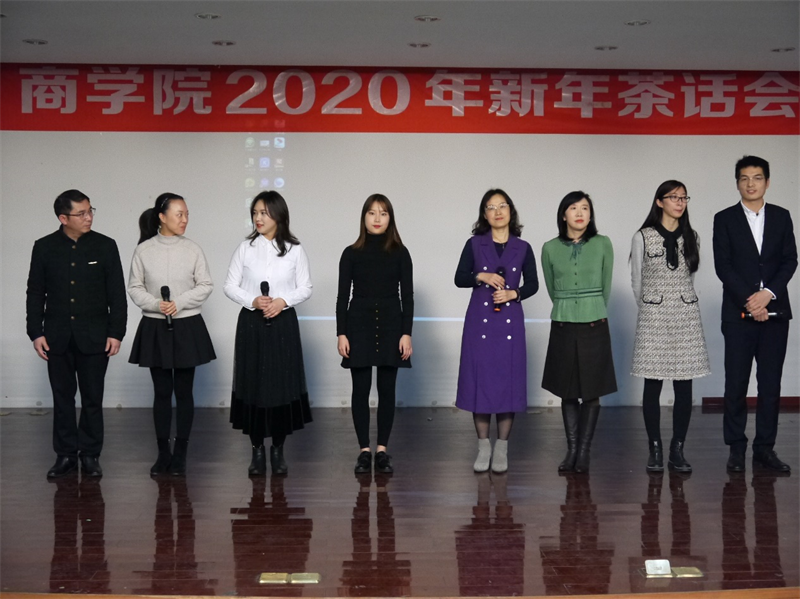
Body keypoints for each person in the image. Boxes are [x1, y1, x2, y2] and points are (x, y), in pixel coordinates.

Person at [26, 189, 127, 478]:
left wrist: (116, 332)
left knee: (93, 398)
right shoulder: (44, 247)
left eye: (90, 210)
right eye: (81, 213)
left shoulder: (105, 246)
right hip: (56, 336)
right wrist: (35, 332)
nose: (88, 217)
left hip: (95, 336)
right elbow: (35, 292)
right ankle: (66, 455)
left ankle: (91, 455)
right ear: (63, 218)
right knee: (62, 399)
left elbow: (117, 293)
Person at [713, 155, 797, 473]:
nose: (751, 183)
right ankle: (736, 448)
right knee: (736, 383)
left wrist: (767, 295)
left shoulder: (782, 216)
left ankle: (765, 449)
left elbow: (790, 260)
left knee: (770, 385)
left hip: (776, 312)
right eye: (745, 178)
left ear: (767, 182)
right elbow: (724, 266)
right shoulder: (724, 219)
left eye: (757, 177)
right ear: (737, 182)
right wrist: (752, 301)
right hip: (738, 314)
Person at [224, 191, 313, 476]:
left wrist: (283, 301)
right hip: (252, 324)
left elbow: (306, 287)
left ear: (279, 214)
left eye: (264, 212)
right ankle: (257, 450)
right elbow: (229, 285)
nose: (258, 218)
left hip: (282, 325)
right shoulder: (245, 248)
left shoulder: (295, 249)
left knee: (280, 386)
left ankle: (277, 449)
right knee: (253, 385)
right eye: (255, 213)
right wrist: (252, 300)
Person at [128, 193, 216, 476]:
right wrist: (157, 304)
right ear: (162, 217)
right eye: (179, 214)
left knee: (185, 392)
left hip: (187, 325)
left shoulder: (193, 249)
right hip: (155, 326)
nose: (185, 219)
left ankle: (181, 453)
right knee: (162, 392)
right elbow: (134, 287)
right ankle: (163, 453)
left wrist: (179, 302)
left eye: (187, 214)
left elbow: (205, 284)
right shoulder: (144, 250)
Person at [455, 189, 538, 473]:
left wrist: (514, 293)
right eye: (491, 207)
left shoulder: (523, 247)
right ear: (484, 214)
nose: (497, 211)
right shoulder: (474, 244)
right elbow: (459, 278)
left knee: (507, 386)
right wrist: (481, 275)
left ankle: (502, 448)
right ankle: (483, 447)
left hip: (509, 322)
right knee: (480, 384)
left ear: (510, 211)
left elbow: (533, 284)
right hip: (480, 322)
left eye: (502, 205)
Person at [630, 180, 710, 473]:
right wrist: (651, 308)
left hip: (686, 316)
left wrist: (680, 302)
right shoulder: (643, 236)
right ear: (659, 202)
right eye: (673, 197)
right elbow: (637, 281)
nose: (679, 202)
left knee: (684, 384)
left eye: (684, 197)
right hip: (653, 316)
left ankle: (678, 449)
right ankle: (655, 448)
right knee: (652, 384)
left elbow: (691, 279)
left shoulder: (693, 236)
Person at [336, 194, 413, 474]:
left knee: (387, 390)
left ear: (390, 218)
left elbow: (408, 297)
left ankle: (381, 450)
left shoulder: (401, 253)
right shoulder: (351, 253)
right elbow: (342, 297)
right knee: (360, 389)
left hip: (391, 325)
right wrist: (342, 333)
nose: (377, 218)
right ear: (364, 217)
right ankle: (363, 451)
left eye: (383, 213)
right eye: (371, 213)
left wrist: (406, 333)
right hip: (359, 325)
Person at [541, 191, 616, 474]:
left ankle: (584, 452)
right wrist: (568, 307)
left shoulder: (602, 243)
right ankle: (571, 450)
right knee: (568, 391)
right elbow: (552, 288)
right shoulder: (549, 248)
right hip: (563, 324)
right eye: (573, 208)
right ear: (564, 214)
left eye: (585, 208)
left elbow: (606, 286)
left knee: (592, 391)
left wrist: (589, 308)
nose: (580, 213)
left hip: (594, 323)